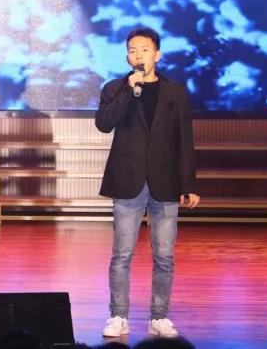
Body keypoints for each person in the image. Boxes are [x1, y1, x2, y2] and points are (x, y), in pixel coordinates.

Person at [96, 27, 199, 339]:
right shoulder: (115, 88)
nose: (137, 54)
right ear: (127, 57)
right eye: (132, 50)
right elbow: (104, 123)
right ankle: (118, 316)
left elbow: (184, 140)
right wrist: (129, 91)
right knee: (122, 254)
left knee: (164, 256)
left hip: (165, 182)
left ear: (157, 54)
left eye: (143, 49)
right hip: (128, 179)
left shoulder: (175, 92)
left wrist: (188, 183)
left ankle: (159, 317)